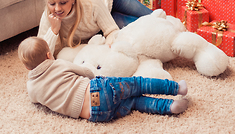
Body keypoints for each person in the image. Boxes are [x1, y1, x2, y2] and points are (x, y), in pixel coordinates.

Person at [18, 36, 189, 122]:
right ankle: (175, 89)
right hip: (98, 89)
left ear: (26, 67)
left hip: (97, 114)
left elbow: (36, 100)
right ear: (49, 55)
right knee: (138, 84)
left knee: (134, 102)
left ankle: (169, 106)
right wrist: (96, 76)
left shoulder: (32, 89)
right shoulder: (58, 64)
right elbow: (85, 72)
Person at [37, 0, 153, 56]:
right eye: (52, 3)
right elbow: (41, 53)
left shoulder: (91, 3)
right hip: (99, 20)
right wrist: (54, 30)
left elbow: (111, 31)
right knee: (139, 28)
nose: (57, 9)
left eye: (63, 3)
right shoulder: (48, 15)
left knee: (152, 19)